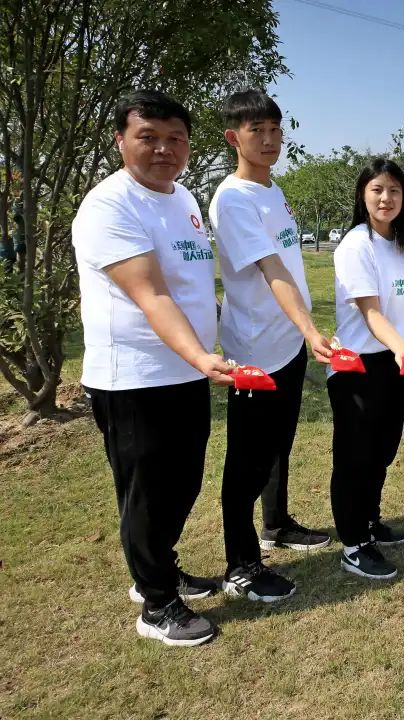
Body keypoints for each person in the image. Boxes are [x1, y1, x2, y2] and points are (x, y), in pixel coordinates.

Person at [73, 90, 232, 646]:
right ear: (121, 140)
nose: (164, 149)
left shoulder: (182, 196)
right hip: (134, 377)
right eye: (149, 137)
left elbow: (192, 283)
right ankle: (158, 604)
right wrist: (203, 356)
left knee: (183, 482)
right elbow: (153, 295)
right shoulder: (110, 206)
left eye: (175, 139)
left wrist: (209, 348)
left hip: (185, 371)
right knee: (147, 492)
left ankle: (158, 568)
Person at [209, 89, 333, 603]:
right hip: (256, 352)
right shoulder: (233, 199)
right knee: (247, 460)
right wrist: (311, 329)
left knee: (278, 444)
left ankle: (276, 524)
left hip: (287, 346)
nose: (268, 139)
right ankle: (241, 565)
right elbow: (271, 267)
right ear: (232, 137)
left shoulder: (272, 190)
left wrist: (300, 335)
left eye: (275, 130)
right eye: (255, 130)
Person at [329, 158, 404, 581]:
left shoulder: (403, 244)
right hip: (359, 365)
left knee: (382, 450)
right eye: (377, 189)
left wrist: (403, 352)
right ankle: (352, 544)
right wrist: (402, 349)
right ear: (362, 195)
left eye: (394, 190)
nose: (386, 198)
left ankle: (369, 520)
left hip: (394, 361)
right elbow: (371, 312)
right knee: (355, 456)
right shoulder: (355, 245)